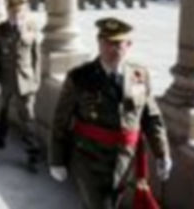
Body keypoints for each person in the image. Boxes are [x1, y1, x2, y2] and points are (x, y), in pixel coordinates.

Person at [48, 17, 172, 209]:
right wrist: (56, 159)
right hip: (89, 159)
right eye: (107, 42)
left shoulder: (139, 76)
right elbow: (61, 120)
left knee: (111, 203)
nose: (112, 49)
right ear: (99, 43)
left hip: (125, 160)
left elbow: (151, 118)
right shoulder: (80, 77)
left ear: (128, 45)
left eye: (118, 43)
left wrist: (162, 153)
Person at [0, 0, 41, 172]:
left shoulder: (31, 27)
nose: (17, 15)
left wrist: (35, 80)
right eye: (14, 12)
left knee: (28, 117)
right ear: (8, 12)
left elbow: (37, 56)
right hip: (4, 80)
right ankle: (0, 135)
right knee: (1, 111)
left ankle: (33, 154)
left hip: (26, 81)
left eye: (21, 12)